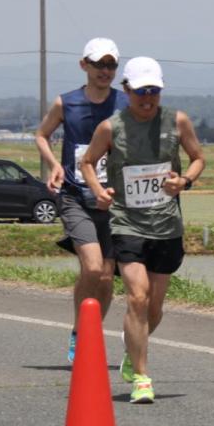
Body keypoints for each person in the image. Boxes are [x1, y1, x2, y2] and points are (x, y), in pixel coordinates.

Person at [79, 57, 205, 404]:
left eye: (153, 92)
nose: (147, 99)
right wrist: (99, 190)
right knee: (137, 296)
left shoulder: (177, 121)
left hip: (166, 224)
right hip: (126, 221)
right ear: (126, 90)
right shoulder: (111, 127)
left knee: (154, 308)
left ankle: (132, 350)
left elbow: (198, 157)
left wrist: (186, 180)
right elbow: (87, 161)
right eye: (140, 93)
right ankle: (143, 377)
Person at [35, 38, 127, 363]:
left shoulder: (124, 103)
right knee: (91, 266)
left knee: (105, 274)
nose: (105, 71)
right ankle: (80, 332)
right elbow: (41, 134)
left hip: (113, 199)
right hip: (74, 196)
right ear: (83, 65)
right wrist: (54, 164)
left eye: (111, 65)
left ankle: (92, 333)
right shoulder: (66, 103)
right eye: (98, 64)